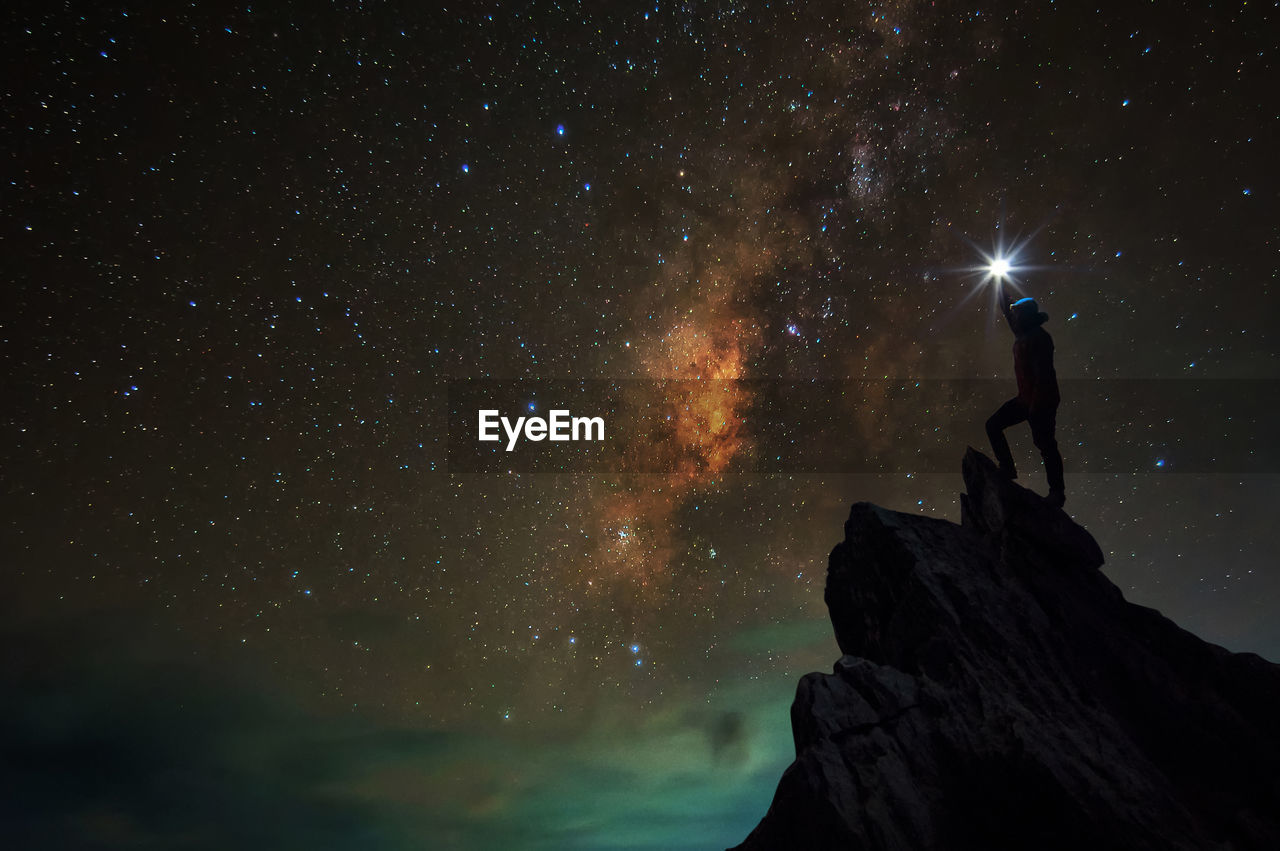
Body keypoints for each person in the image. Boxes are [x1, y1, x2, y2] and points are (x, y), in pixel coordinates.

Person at [985, 280, 1066, 508]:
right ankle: (1008, 468)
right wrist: (999, 283)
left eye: (1019, 313)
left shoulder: (1039, 339)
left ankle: (1057, 493)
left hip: (1042, 401)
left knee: (1045, 444)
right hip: (1026, 399)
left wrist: (1035, 407)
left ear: (1027, 316)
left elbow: (1044, 375)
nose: (1015, 316)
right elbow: (1006, 308)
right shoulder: (1022, 333)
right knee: (993, 425)